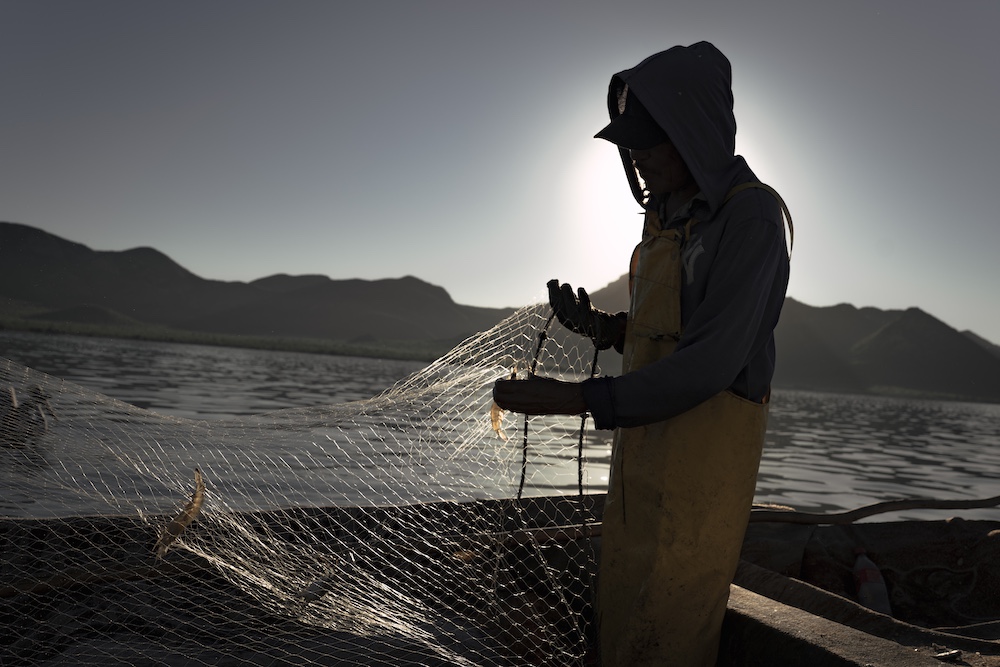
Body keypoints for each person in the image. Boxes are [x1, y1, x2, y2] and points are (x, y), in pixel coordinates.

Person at [493, 41, 792, 666]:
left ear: (691, 134)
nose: (637, 155)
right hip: (639, 469)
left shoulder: (752, 219)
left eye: (648, 140)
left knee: (670, 631)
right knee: (623, 616)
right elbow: (665, 337)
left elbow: (710, 363)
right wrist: (604, 330)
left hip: (701, 473)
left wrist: (574, 398)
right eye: (629, 143)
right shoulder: (669, 222)